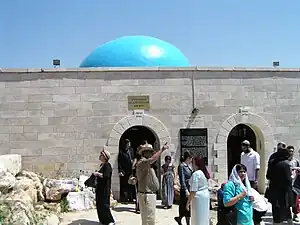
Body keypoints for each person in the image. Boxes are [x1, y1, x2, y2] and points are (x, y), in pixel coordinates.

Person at [136, 142, 169, 225]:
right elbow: (152, 159)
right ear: (145, 153)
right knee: (148, 219)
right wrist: (162, 150)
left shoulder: (146, 164)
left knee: (150, 219)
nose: (151, 153)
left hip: (149, 194)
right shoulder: (142, 162)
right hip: (146, 195)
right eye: (150, 152)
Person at [266, 144, 293, 225]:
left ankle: (276, 223)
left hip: (274, 189)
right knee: (286, 208)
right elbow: (288, 179)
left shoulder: (272, 162)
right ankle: (289, 222)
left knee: (275, 208)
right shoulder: (286, 164)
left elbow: (268, 176)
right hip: (284, 191)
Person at [93, 148, 115, 225]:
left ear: (105, 157)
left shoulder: (107, 165)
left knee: (105, 205)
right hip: (100, 189)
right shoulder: (102, 165)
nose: (100, 156)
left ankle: (110, 221)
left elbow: (106, 176)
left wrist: (97, 174)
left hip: (105, 189)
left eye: (101, 155)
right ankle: (103, 220)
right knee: (99, 205)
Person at [186, 156, 210, 225]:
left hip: (198, 198)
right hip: (205, 196)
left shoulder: (196, 174)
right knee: (204, 217)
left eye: (192, 163)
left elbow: (193, 190)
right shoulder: (203, 172)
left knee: (197, 217)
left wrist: (188, 202)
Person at [174, 151, 193, 225]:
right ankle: (187, 222)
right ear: (188, 158)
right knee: (185, 206)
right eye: (191, 158)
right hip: (185, 189)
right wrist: (185, 190)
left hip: (190, 188)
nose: (191, 160)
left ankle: (179, 218)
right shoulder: (181, 166)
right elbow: (182, 179)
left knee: (187, 206)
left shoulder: (188, 166)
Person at [118, 139, 135, 203]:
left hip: (131, 170)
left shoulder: (131, 150)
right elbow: (119, 162)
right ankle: (125, 198)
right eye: (128, 144)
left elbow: (133, 157)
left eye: (129, 144)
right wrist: (120, 170)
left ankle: (131, 198)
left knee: (131, 184)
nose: (129, 145)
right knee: (125, 184)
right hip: (125, 170)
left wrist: (133, 162)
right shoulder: (121, 152)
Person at [288, 145, 300, 222]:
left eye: (292, 151)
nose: (291, 153)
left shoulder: (296, 161)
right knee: (287, 201)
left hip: (295, 184)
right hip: (287, 183)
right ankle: (287, 216)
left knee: (295, 201)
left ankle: (295, 214)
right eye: (289, 151)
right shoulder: (285, 161)